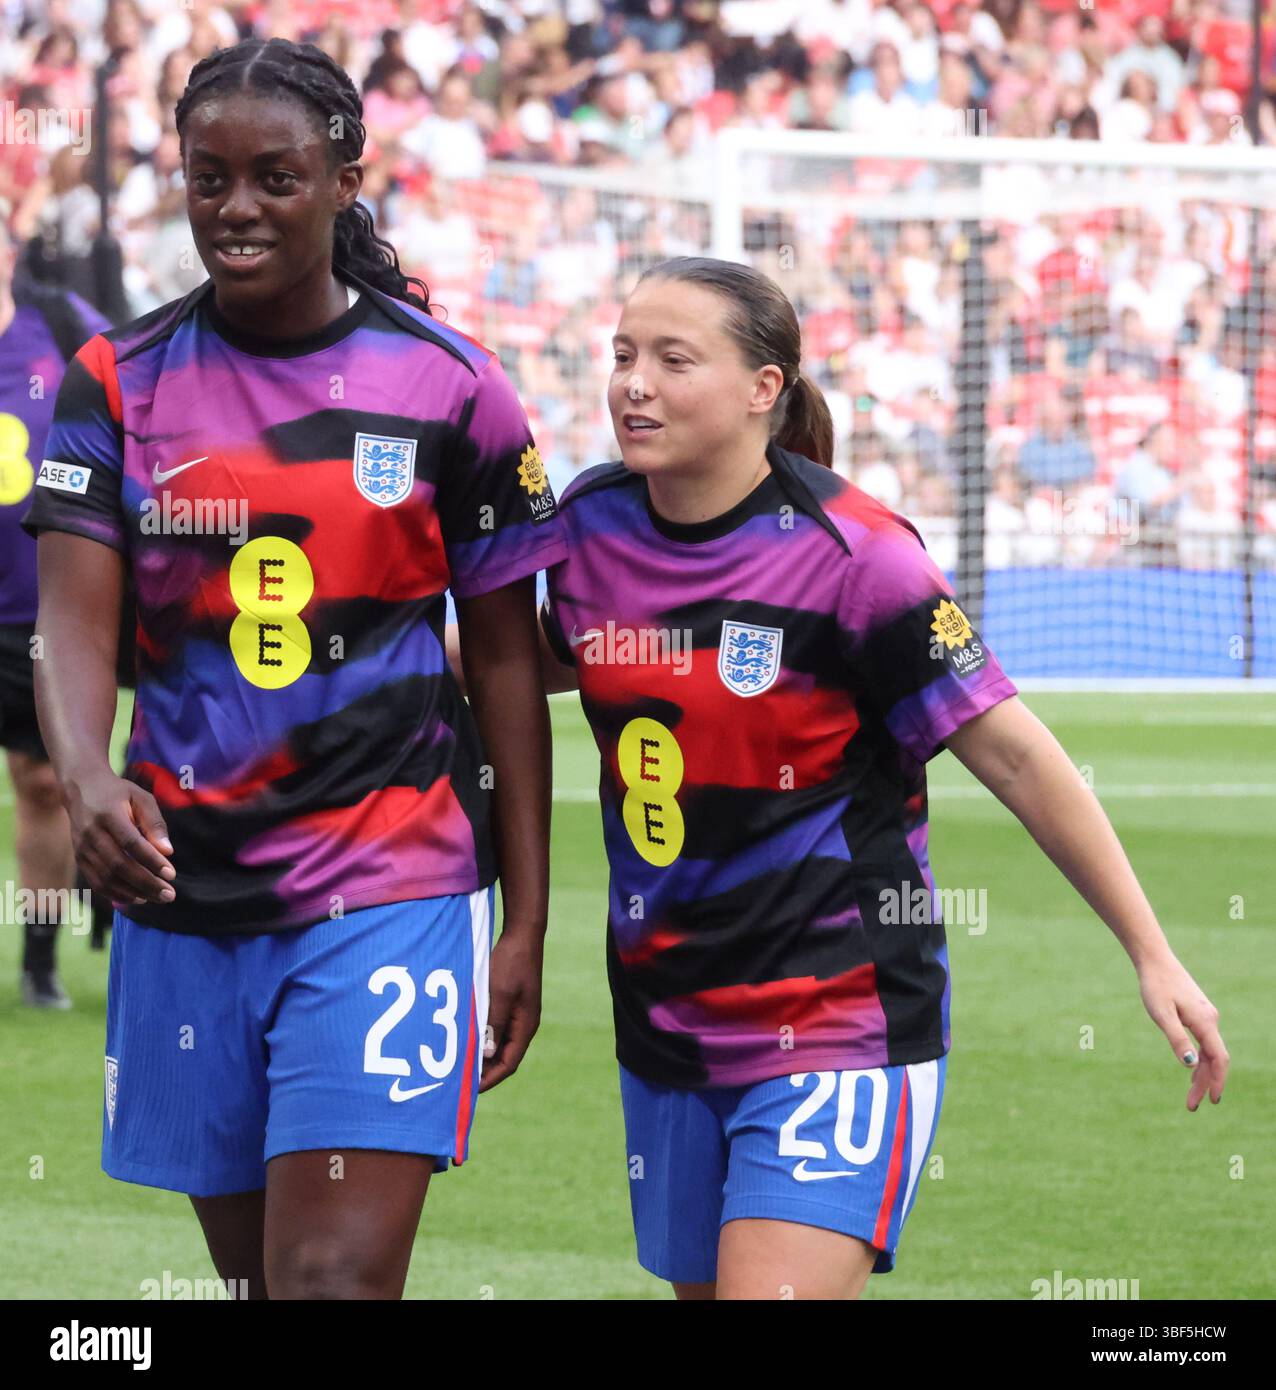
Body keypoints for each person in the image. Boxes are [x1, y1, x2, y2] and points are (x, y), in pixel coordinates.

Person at [455, 257, 1228, 1300]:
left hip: (838, 1019)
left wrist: (1151, 952)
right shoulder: (593, 527)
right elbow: (543, 657)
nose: (632, 383)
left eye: (672, 359)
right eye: (623, 355)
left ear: (761, 389)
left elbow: (1015, 754)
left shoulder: (860, 557)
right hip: (666, 1018)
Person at [24, 37, 564, 1300]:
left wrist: (525, 914)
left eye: (276, 176)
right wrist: (88, 777)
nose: (237, 207)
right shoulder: (117, 378)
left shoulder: (454, 387)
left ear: (342, 179)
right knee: (261, 1289)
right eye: (208, 178)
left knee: (328, 1282)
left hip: (387, 882)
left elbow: (503, 669)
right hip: (184, 890)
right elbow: (73, 623)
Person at [0, 219, 112, 1007]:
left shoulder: (63, 326)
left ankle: (39, 961)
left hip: (29, 610)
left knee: (42, 781)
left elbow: (136, 390)